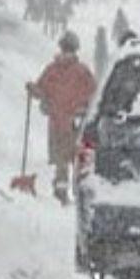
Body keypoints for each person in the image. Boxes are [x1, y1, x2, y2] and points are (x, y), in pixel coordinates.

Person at [26, 30, 96, 205]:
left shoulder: (52, 70)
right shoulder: (82, 72)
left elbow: (41, 91)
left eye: (67, 49)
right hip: (75, 123)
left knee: (61, 161)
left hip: (60, 123)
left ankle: (62, 190)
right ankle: (75, 191)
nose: (66, 53)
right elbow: (94, 95)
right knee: (78, 159)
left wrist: (33, 90)